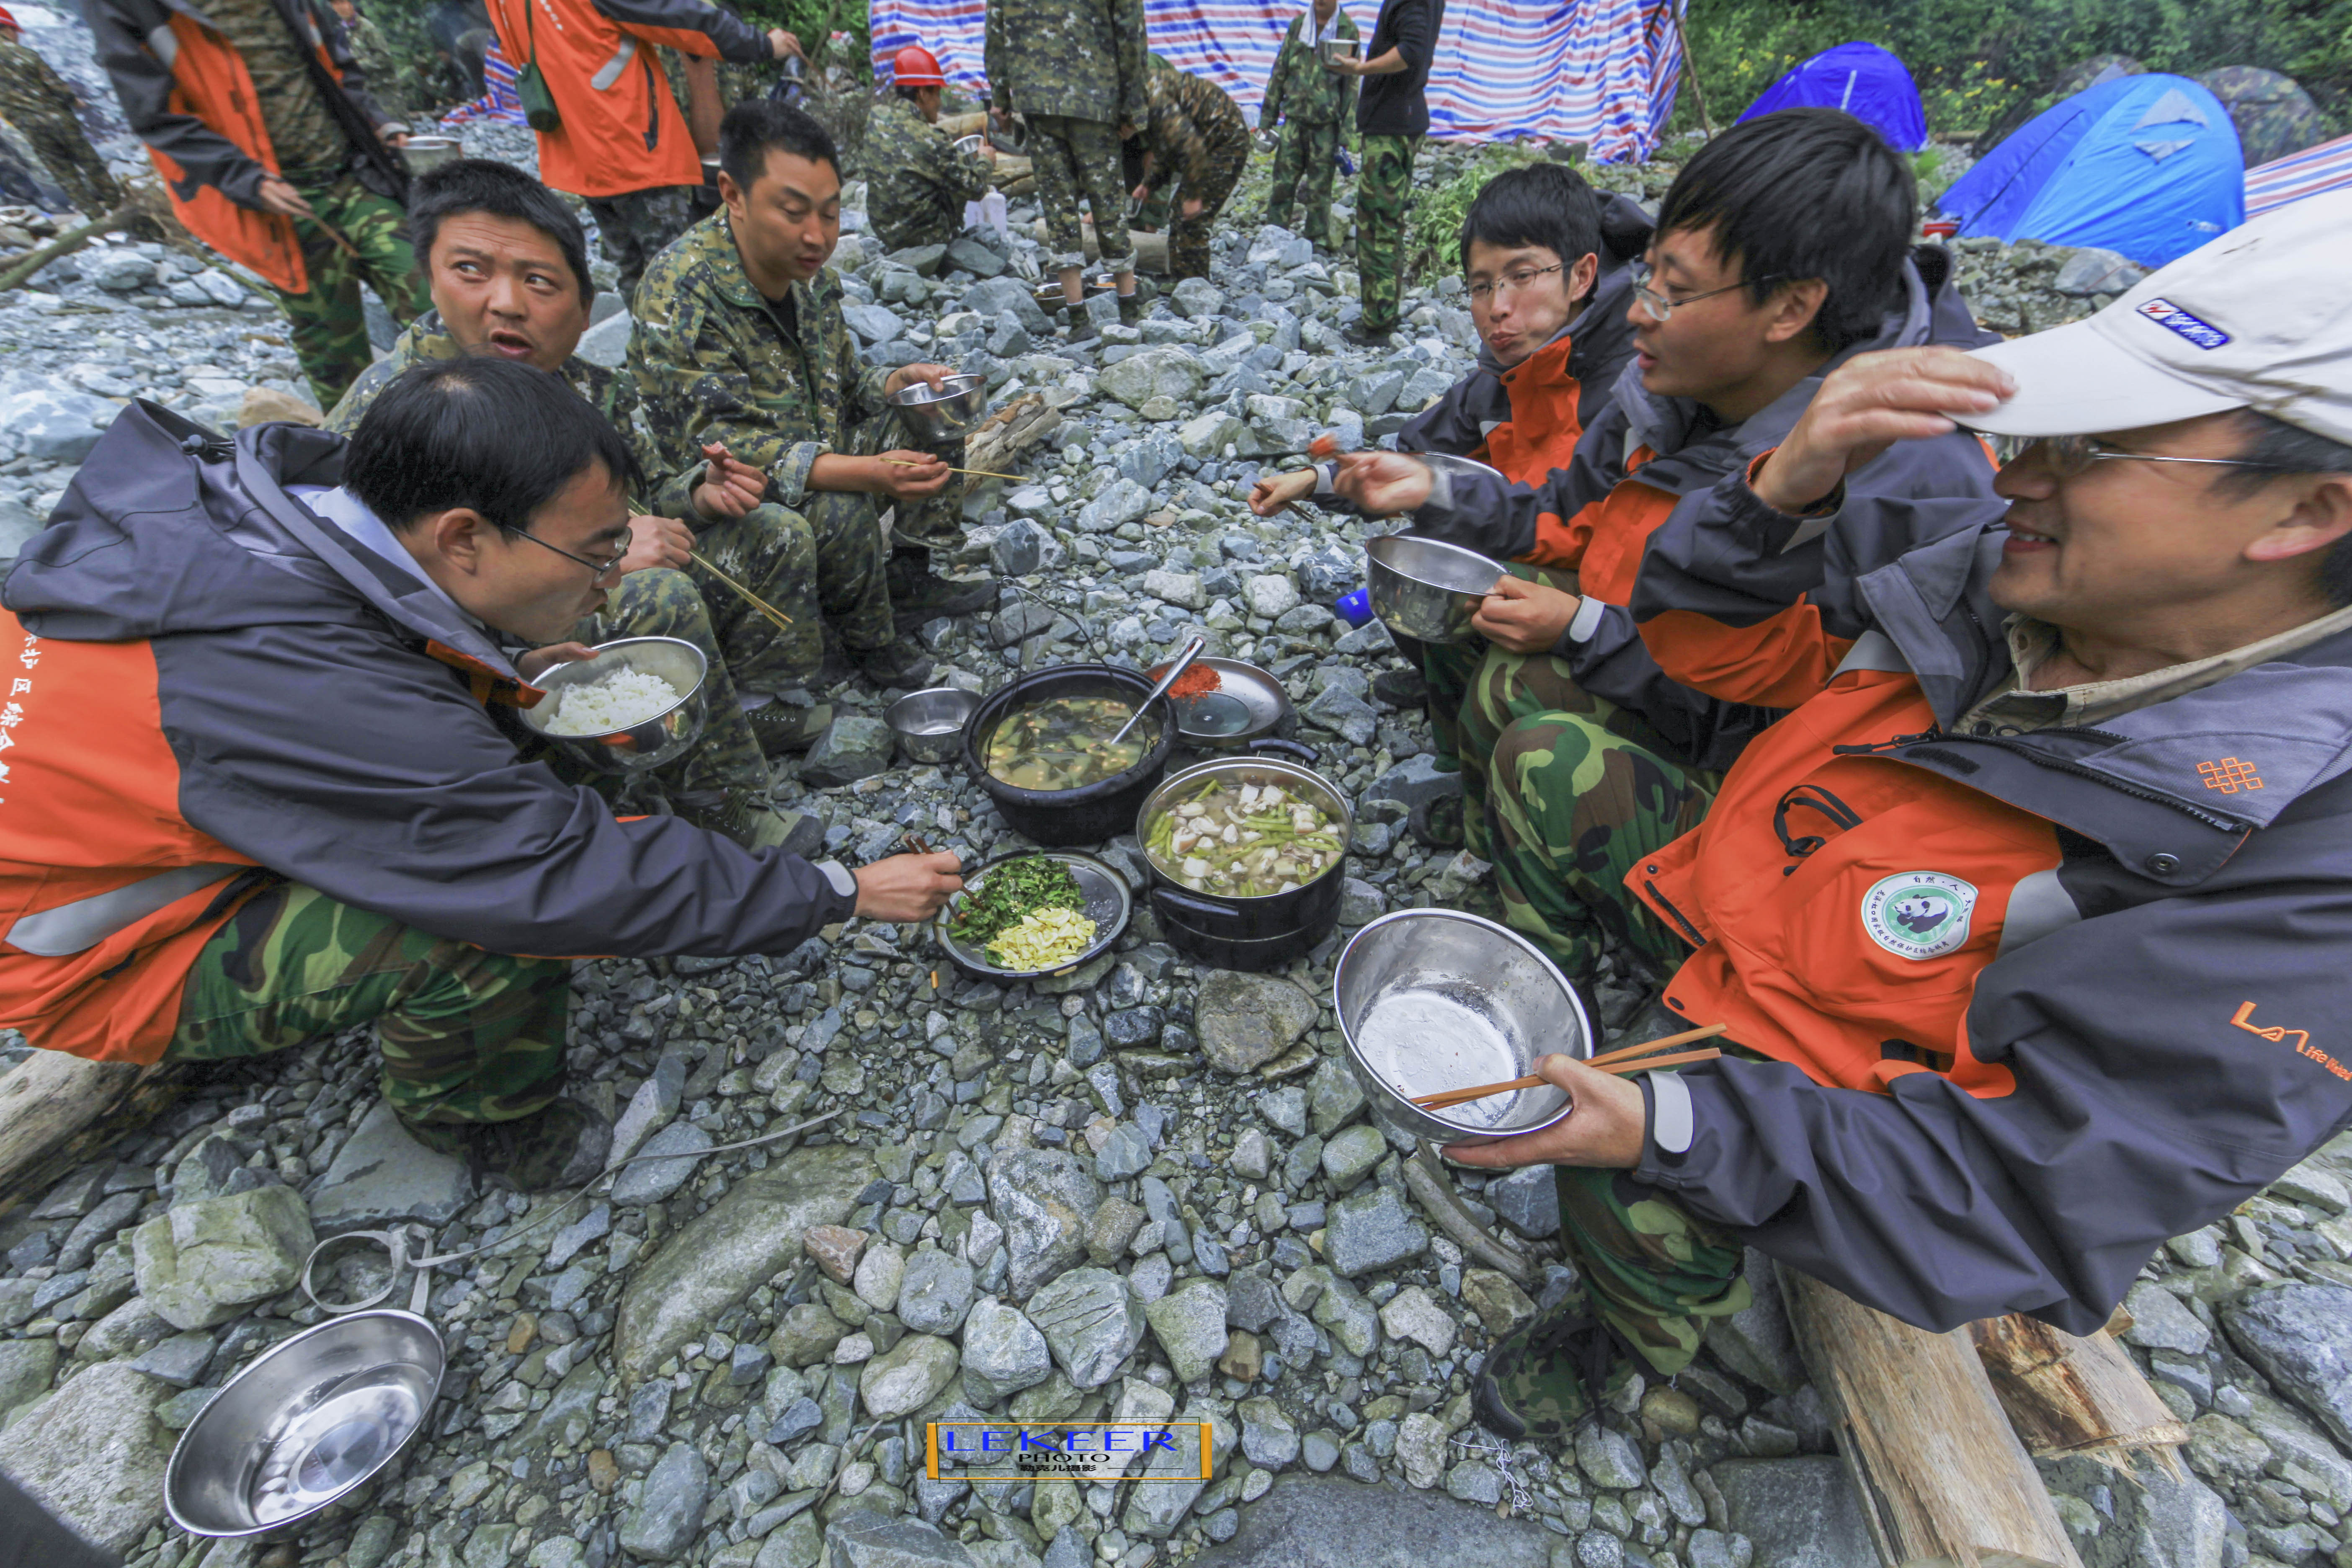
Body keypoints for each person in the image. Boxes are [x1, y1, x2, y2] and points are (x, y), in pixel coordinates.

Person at [1430, 190, 2352, 1444]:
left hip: (1871, 1074)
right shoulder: (2007, 577)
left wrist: (1674, 1121)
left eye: (2091, 448)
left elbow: (2033, 1187)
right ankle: (1605, 1008)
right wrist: (1782, 491)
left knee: (1624, 1179)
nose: (2016, 476)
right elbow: (1707, 662)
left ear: (2308, 512)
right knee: (1552, 758)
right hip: (1765, 907)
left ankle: (1679, 1363)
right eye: (2037, 436)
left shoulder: (2310, 864)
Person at [0, 355, 964, 1189]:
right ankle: (483, 1120)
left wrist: (493, 675)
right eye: (593, 553)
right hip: (90, 945)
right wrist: (837, 891)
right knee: (483, 926)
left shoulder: (277, 508)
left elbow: (350, 654)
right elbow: (546, 876)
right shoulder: (328, 697)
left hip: (140, 817)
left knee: (509, 760)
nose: (607, 579)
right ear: (463, 536)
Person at [1334, 111, 2000, 949]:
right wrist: (1431, 488)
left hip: (1787, 812)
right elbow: (1561, 512)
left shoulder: (1908, 487)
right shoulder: (1676, 388)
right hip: (1676, 666)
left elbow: (1805, 733)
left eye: (1671, 292)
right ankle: (1502, 857)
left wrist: (1583, 626)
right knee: (1478, 611)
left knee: (1540, 743)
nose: (1637, 313)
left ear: (1791, 309)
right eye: (1644, 276)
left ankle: (1559, 983)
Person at [324, 159, 829, 849]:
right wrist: (616, 553)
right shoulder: (400, 412)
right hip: (491, 643)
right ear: (430, 278)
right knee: (659, 595)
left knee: (769, 529)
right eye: (472, 270)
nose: (505, 304)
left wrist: (698, 496)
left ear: (584, 308)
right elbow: (379, 617)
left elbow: (653, 491)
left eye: (538, 282)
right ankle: (722, 812)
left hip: (577, 575)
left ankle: (757, 708)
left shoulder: (588, 385)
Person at [1259, 162, 1649, 781]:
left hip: (1622, 606)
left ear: (1581, 275)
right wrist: (1319, 480)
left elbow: (1595, 519)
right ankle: (1455, 751)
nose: (1498, 309)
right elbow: (1415, 453)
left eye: (1522, 277)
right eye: (1479, 286)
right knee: (1417, 559)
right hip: (1540, 547)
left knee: (1459, 568)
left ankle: (1502, 770)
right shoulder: (1498, 380)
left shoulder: (1639, 381)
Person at [631, 101, 993, 686]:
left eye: (829, 215)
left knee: (931, 415)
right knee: (842, 506)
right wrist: (866, 473)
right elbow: (723, 452)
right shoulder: (683, 293)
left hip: (807, 450)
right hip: (718, 500)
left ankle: (907, 579)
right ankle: (866, 645)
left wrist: (894, 383)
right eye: (793, 211)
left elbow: (845, 386)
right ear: (733, 193)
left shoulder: (808, 277)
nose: (816, 236)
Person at [86, 0, 431, 407]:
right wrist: (243, 178)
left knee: (435, 298)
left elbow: (336, 63)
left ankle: (486, 425)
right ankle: (362, 450)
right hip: (278, 205)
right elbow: (155, 115)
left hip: (353, 173)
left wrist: (379, 124)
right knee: (332, 346)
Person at [480, 0, 802, 307]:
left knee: (634, 270)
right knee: (679, 272)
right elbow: (676, 16)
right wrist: (762, 45)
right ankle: (689, 356)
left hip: (580, 155)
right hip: (632, 147)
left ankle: (648, 354)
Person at [984, 0, 1144, 340]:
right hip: (1095, 96)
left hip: (1037, 98)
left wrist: (1001, 98)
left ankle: (1079, 320)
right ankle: (1129, 314)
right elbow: (1131, 32)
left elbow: (995, 31)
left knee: (1058, 206)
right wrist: (1133, 108)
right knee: (1108, 201)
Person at [1323, 0, 1439, 346]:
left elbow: (1411, 51)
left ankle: (1379, 322)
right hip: (1400, 119)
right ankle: (1382, 312)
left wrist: (1362, 68)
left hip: (1392, 127)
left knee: (1378, 225)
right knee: (1385, 222)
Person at [1127, 53, 1250, 282]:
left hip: (1225, 141)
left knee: (1193, 217)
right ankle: (1181, 277)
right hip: (1205, 139)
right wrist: (1148, 184)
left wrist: (1195, 195)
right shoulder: (1139, 100)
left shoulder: (1154, 102)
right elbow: (1167, 149)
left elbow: (1191, 148)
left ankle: (1196, 288)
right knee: (1178, 211)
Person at [865, 43, 995, 253]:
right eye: (937, 94)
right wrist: (985, 160)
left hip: (883, 231)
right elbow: (976, 188)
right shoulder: (932, 141)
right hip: (923, 238)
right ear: (923, 94)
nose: (940, 104)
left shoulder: (876, 118)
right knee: (955, 175)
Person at [0, 5, 124, 219]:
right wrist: (75, 101)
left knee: (63, 172)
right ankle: (116, 203)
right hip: (57, 118)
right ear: (6, 29)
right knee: (89, 162)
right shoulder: (23, 55)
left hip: (28, 126)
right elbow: (56, 87)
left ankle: (94, 214)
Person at [1255, 0, 1356, 248]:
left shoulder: (1347, 30)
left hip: (1326, 126)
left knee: (1320, 186)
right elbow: (1279, 72)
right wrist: (1267, 120)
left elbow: (1351, 84)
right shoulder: (1299, 26)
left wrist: (1345, 134)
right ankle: (1275, 234)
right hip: (1293, 122)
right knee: (1283, 182)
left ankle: (1317, 240)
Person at [325, 0, 405, 123]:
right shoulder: (340, 31)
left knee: (399, 130)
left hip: (384, 94)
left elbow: (384, 58)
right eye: (335, 4)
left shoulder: (366, 28)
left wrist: (356, 67)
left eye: (343, 2)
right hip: (363, 95)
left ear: (352, 4)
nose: (341, 7)